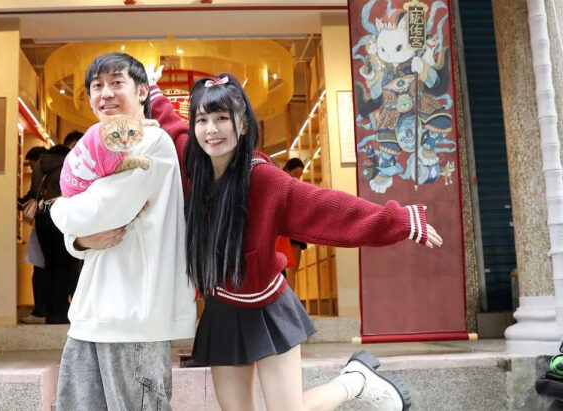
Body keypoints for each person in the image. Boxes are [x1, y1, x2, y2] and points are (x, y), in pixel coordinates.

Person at [148, 72, 443, 411]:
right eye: (202, 120)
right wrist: (150, 87)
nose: (211, 129)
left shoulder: (264, 178)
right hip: (222, 309)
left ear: (243, 124)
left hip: (266, 307)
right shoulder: (192, 163)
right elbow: (170, 123)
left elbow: (328, 208)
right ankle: (357, 378)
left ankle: (355, 381)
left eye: (222, 118)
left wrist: (399, 221)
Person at [49, 52, 196, 410]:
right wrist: (79, 239)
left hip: (132, 319)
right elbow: (87, 222)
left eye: (117, 83)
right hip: (89, 315)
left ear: (143, 91)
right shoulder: (95, 149)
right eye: (96, 86)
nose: (105, 93)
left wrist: (56, 209)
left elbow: (99, 209)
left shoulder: (152, 143)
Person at [35, 131, 83, 324]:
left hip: (43, 220)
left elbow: (34, 191)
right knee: (65, 266)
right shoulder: (71, 162)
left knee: (49, 266)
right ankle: (61, 311)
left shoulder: (40, 163)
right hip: (62, 217)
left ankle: (49, 311)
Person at [18, 145, 49, 324]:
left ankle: (39, 312)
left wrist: (14, 200)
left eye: (31, 165)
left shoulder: (41, 173)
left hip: (43, 227)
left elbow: (30, 197)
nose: (31, 169)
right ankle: (50, 311)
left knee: (39, 272)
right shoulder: (56, 173)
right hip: (56, 229)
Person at [281, 157, 308, 291]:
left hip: (296, 229)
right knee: (288, 268)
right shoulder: (280, 183)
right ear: (287, 170)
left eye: (300, 175)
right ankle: (288, 298)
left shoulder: (296, 188)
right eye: (295, 174)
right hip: (285, 230)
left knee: (293, 267)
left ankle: (289, 297)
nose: (297, 178)